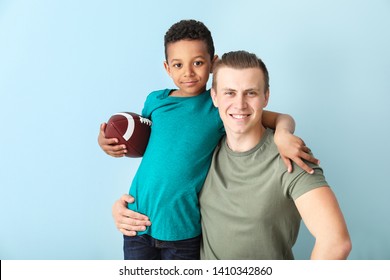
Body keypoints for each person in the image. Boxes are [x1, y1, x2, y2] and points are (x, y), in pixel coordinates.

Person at [99, 20, 318, 260]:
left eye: (198, 63)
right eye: (178, 65)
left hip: (182, 230)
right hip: (138, 221)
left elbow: (281, 118)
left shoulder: (218, 106)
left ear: (213, 63)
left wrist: (284, 134)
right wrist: (108, 142)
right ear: (167, 68)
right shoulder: (155, 101)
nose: (188, 72)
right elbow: (145, 144)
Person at [199, 50, 352, 259]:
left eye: (251, 92)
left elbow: (336, 242)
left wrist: (283, 131)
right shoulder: (204, 145)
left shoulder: (290, 157)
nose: (240, 104)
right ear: (214, 97)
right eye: (230, 93)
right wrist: (138, 209)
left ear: (266, 97)